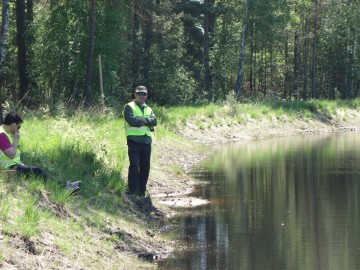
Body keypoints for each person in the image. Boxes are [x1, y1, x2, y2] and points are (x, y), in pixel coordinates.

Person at [0, 111, 81, 194]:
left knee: (36, 171)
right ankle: (65, 187)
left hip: (12, 166)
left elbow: (11, 156)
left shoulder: (5, 133)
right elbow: (11, 155)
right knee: (37, 171)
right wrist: (16, 140)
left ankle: (66, 186)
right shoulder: (2, 135)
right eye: (19, 127)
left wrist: (22, 165)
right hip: (8, 169)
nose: (18, 130)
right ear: (13, 125)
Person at [123, 85, 157, 196]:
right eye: (139, 93)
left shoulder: (149, 108)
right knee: (134, 164)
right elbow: (132, 121)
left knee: (145, 166)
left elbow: (155, 121)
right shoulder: (129, 107)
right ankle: (132, 190)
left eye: (144, 94)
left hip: (147, 140)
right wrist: (147, 121)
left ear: (146, 96)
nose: (142, 96)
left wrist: (143, 119)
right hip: (134, 139)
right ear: (135, 94)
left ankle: (142, 191)